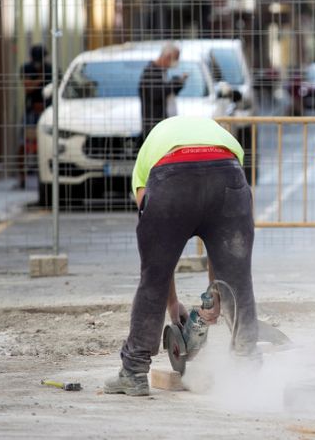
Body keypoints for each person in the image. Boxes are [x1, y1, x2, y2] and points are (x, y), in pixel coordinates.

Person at [104, 115, 259, 396]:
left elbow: (157, 258)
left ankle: (134, 372)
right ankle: (247, 361)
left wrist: (172, 304)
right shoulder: (222, 137)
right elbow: (225, 239)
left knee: (153, 277)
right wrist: (217, 294)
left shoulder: (147, 159)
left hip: (171, 177)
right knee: (238, 279)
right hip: (228, 171)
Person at [19, 44, 52, 188]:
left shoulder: (50, 69)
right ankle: (22, 177)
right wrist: (41, 79)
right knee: (22, 144)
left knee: (46, 145)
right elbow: (28, 87)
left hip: (47, 113)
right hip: (31, 112)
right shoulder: (27, 68)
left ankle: (43, 175)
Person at [138, 43, 188, 138]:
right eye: (175, 59)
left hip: (164, 123)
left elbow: (167, 93)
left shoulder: (162, 71)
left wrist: (179, 83)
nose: (176, 62)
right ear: (168, 56)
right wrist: (175, 82)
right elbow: (156, 94)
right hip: (155, 126)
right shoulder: (151, 72)